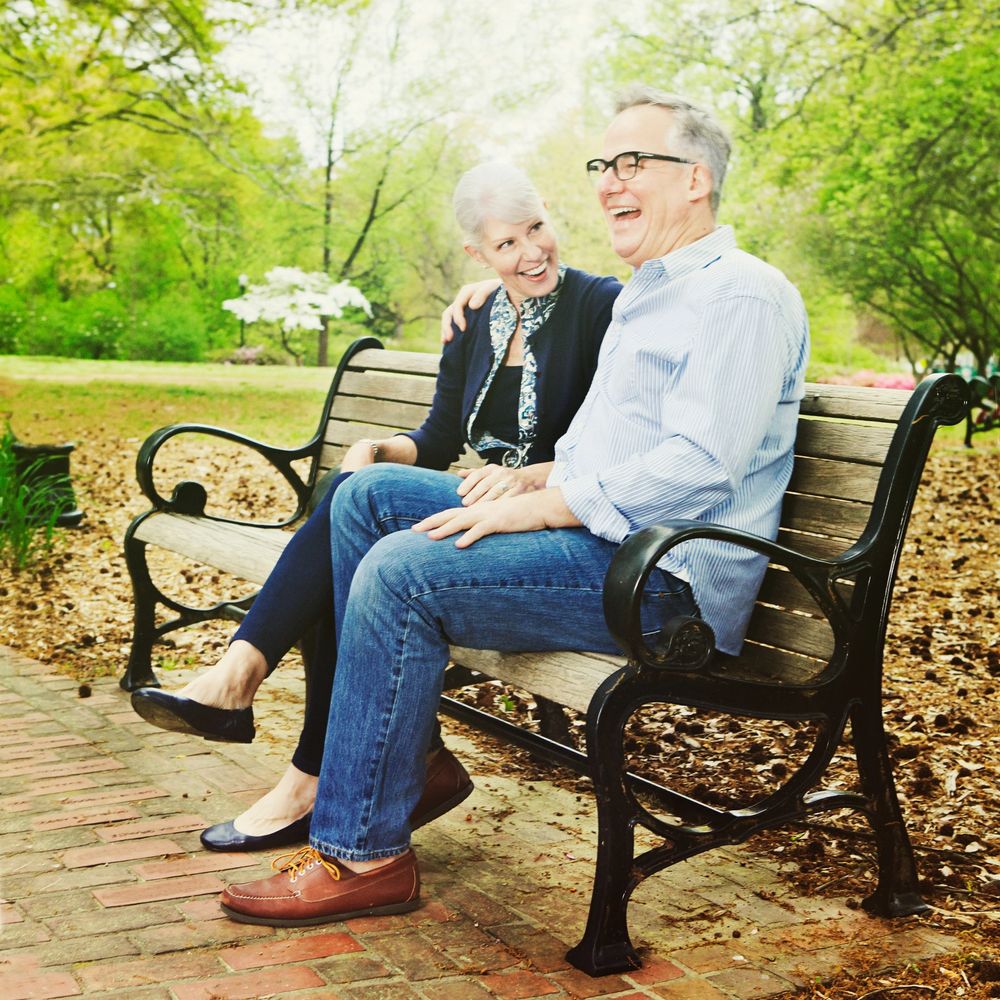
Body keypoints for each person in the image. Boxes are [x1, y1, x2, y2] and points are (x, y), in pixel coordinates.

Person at [217, 85, 809, 926]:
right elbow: (610, 444)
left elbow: (703, 465)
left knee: (400, 574)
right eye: (604, 164)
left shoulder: (739, 295)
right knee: (365, 497)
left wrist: (540, 506)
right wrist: (532, 479)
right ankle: (408, 760)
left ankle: (362, 853)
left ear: (697, 181)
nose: (608, 181)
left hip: (662, 577)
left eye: (632, 162)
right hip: (606, 540)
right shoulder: (653, 291)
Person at [129, 161, 622, 851]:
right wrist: (381, 447)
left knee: (350, 520)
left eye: (537, 228)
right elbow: (440, 438)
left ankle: (274, 722)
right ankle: (298, 739)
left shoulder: (602, 306)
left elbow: (613, 444)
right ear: (476, 253)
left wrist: (534, 478)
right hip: (477, 508)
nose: (532, 251)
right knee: (351, 496)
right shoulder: (475, 317)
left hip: (545, 524)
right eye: (507, 244)